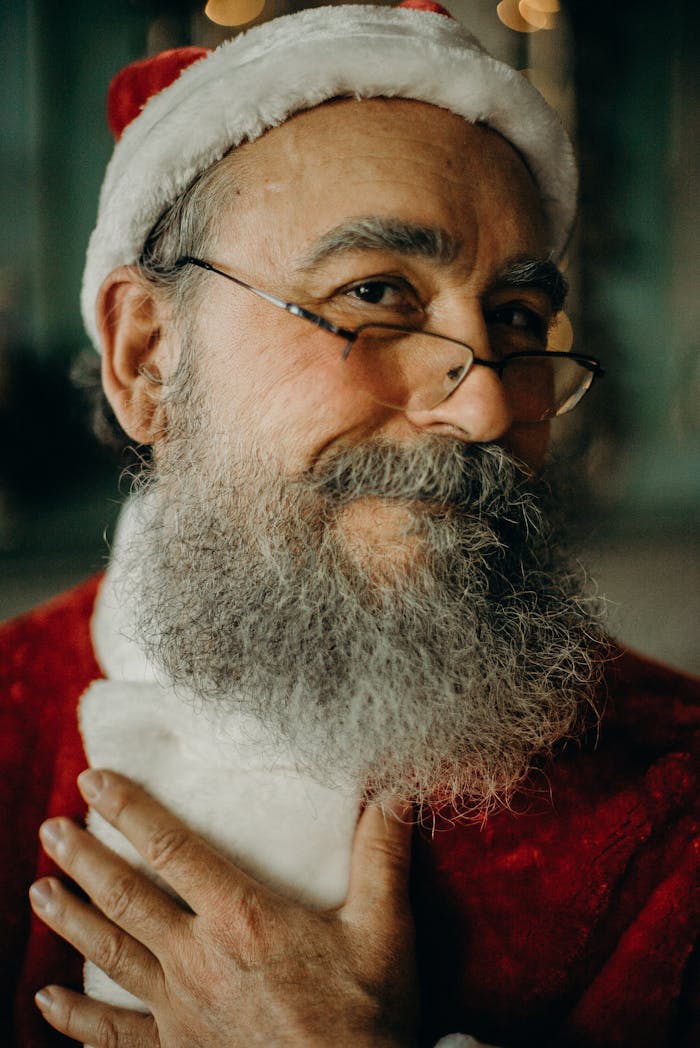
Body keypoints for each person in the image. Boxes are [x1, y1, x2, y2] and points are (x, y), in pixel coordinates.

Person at [1, 3, 697, 1045]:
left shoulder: (677, 805)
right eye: (375, 293)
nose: (484, 406)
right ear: (147, 356)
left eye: (514, 318)